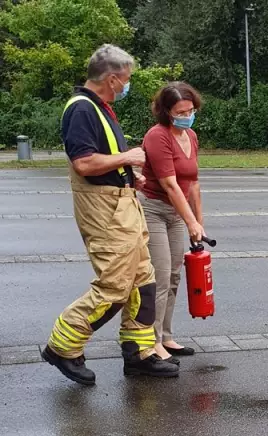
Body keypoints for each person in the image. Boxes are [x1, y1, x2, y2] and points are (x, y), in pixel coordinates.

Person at [41, 44, 179, 385]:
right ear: (113, 78)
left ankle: (140, 353)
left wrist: (130, 176)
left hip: (122, 203)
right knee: (115, 286)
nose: (127, 86)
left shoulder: (99, 108)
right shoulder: (82, 109)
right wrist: (128, 158)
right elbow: (84, 163)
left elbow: (102, 162)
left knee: (143, 280)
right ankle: (63, 345)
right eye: (127, 80)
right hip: (104, 211)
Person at [139, 82, 204, 363]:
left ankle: (166, 335)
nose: (187, 115)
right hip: (153, 209)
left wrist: (198, 223)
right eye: (181, 111)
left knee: (175, 276)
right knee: (160, 277)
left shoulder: (191, 135)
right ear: (166, 111)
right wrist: (190, 221)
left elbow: (193, 183)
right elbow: (169, 184)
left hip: (178, 214)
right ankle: (151, 343)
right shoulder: (157, 136)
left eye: (190, 110)